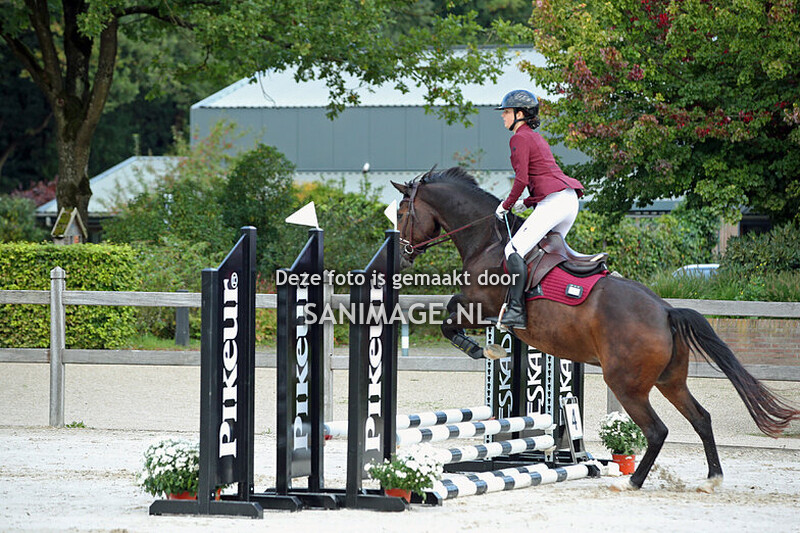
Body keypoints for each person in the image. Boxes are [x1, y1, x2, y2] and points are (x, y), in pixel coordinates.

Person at [494, 89, 589, 329]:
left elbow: (522, 180)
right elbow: (543, 178)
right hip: (568, 200)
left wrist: (505, 206)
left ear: (519, 114)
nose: (503, 117)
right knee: (547, 253)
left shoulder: (519, 138)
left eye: (506, 112)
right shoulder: (536, 138)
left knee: (513, 249)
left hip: (555, 202)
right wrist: (523, 203)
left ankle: (516, 312)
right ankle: (554, 302)